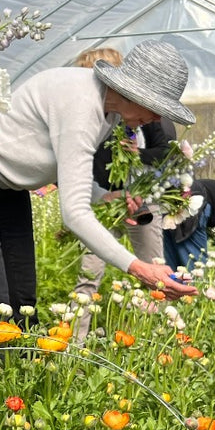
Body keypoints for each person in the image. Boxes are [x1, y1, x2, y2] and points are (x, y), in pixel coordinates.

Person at [0, 41, 198, 359]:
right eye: (157, 108)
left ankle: (19, 396)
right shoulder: (81, 103)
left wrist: (106, 195)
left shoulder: (107, 111)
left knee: (22, 302)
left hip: (6, 185)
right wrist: (138, 268)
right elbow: (74, 214)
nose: (156, 119)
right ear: (135, 92)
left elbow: (64, 168)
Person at [70, 47, 177, 341]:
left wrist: (138, 156)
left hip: (142, 204)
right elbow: (69, 168)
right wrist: (102, 196)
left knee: (154, 272)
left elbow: (168, 152)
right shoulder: (84, 117)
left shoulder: (148, 116)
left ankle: (157, 343)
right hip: (101, 205)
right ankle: (74, 345)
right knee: (89, 274)